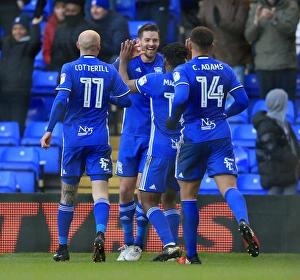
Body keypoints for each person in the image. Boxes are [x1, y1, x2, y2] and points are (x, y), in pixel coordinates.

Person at [166, 26, 260, 264]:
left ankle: (192, 256)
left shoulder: (183, 70)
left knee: (188, 197)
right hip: (220, 135)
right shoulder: (225, 69)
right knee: (229, 187)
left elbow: (180, 98)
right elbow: (243, 101)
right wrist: (223, 115)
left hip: (193, 137)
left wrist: (173, 119)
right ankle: (242, 221)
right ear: (213, 46)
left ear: (189, 44)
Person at [40, 29, 131, 262]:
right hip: (99, 140)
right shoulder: (109, 70)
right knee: (100, 192)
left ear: (77, 45)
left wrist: (49, 129)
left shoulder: (69, 68)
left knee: (68, 193)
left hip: (73, 141)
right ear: (99, 47)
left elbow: (61, 100)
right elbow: (126, 100)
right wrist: (106, 96)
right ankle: (99, 233)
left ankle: (62, 247)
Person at [118, 41, 188, 261]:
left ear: (164, 62)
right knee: (170, 200)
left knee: (146, 199)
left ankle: (169, 245)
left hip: (158, 149)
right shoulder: (190, 82)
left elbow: (124, 86)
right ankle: (174, 248)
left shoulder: (154, 80)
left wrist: (123, 61)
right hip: (183, 150)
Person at [113, 23, 165, 261]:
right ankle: (127, 242)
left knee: (144, 192)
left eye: (154, 40)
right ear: (139, 41)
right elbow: (116, 86)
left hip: (154, 136)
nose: (151, 44)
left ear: (158, 41)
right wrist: (123, 60)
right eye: (147, 40)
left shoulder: (164, 64)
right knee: (124, 190)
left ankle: (138, 244)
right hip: (130, 134)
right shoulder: (126, 61)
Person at [244, 0, 299, 101]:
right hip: (263, 65)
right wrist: (256, 22)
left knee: (287, 105)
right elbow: (249, 36)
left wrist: (274, 20)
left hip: (286, 64)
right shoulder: (257, 7)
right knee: (266, 106)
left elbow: (290, 30)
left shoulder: (290, 5)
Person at [0, 14, 43, 135]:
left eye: (21, 28)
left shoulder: (29, 47)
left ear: (27, 31)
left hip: (20, 93)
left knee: (16, 127)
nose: (17, 32)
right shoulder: (6, 44)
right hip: (3, 92)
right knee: (4, 127)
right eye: (15, 28)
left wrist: (35, 26)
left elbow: (35, 43)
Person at [251, 89, 300, 195]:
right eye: (285, 101)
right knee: (274, 205)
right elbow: (272, 149)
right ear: (279, 104)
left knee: (290, 207)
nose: (287, 104)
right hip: (274, 173)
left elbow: (292, 143)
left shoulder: (284, 122)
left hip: (289, 172)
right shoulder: (265, 124)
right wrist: (295, 160)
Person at [198, 0, 252, 85]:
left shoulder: (241, 2)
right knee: (213, 96)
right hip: (212, 59)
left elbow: (240, 28)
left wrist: (221, 22)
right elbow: (202, 23)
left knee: (235, 95)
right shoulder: (207, 2)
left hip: (234, 58)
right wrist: (195, 23)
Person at [48, 0, 98, 72]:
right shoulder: (59, 30)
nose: (70, 14)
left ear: (80, 11)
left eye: (74, 11)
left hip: (86, 70)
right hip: (64, 70)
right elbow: (55, 54)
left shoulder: (91, 29)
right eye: (68, 11)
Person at [42, 0, 65, 66]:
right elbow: (46, 51)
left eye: (63, 7)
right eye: (58, 8)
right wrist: (52, 62)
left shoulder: (73, 24)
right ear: (54, 9)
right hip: (54, 64)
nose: (61, 11)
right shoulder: (49, 25)